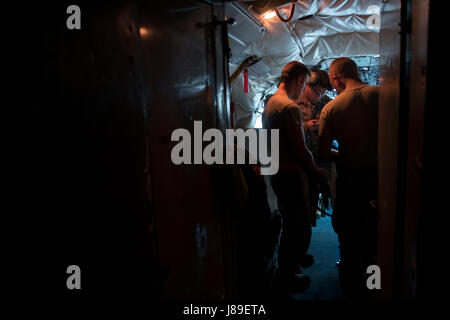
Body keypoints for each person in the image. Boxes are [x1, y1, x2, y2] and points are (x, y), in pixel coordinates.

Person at [262, 61, 328, 296]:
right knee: (297, 229)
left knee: (289, 225)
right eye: (304, 85)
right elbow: (300, 149)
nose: (304, 91)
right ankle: (285, 279)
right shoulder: (289, 107)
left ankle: (284, 273)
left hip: (279, 173)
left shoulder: (271, 102)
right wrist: (317, 170)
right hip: (292, 174)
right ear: (300, 80)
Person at [317, 57, 379, 299]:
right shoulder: (383, 95)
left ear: (336, 77)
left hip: (350, 182)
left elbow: (323, 152)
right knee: (375, 242)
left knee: (349, 241)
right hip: (380, 181)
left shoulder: (332, 108)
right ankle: (375, 288)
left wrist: (346, 153)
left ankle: (351, 292)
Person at [295, 70, 333, 268]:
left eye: (322, 93)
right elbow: (281, 130)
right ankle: (296, 256)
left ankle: (302, 251)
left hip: (318, 162)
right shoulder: (292, 103)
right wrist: (305, 126)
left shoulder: (325, 102)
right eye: (317, 92)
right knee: (299, 212)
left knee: (311, 208)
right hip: (299, 165)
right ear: (307, 84)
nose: (319, 97)